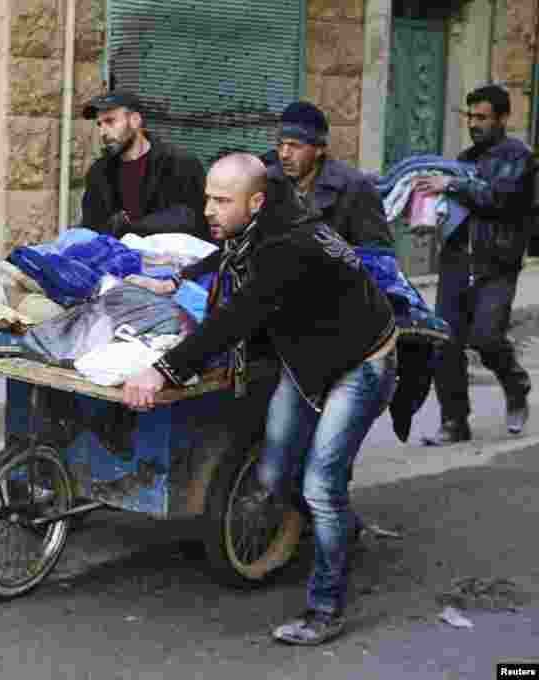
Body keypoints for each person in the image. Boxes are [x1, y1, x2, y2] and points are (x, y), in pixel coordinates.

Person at [123, 154, 398, 646]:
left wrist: (163, 371)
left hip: (362, 363)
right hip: (309, 358)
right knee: (274, 475)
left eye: (221, 201)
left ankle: (325, 608)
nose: (209, 210)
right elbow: (226, 255)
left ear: (255, 201)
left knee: (319, 483)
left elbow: (235, 319)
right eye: (208, 197)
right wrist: (179, 281)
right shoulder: (258, 226)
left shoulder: (287, 246)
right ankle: (343, 528)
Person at [415, 85, 533, 445]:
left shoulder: (520, 157)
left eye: (481, 117)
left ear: (501, 118)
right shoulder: (465, 157)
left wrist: (452, 183)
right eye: (470, 117)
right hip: (456, 262)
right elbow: (458, 204)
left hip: (495, 263)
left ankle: (516, 385)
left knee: (487, 337)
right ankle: (454, 421)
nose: (473, 124)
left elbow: (501, 196)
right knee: (444, 343)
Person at [80, 91, 209, 240]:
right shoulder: (99, 173)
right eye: (99, 124)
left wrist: (133, 227)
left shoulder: (180, 164)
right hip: (118, 262)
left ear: (135, 120)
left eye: (110, 121)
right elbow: (91, 231)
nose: (102, 132)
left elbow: (199, 224)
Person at [269, 101, 394, 247]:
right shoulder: (268, 181)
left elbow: (378, 258)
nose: (284, 154)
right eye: (280, 145)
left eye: (295, 146)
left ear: (319, 149)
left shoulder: (356, 188)